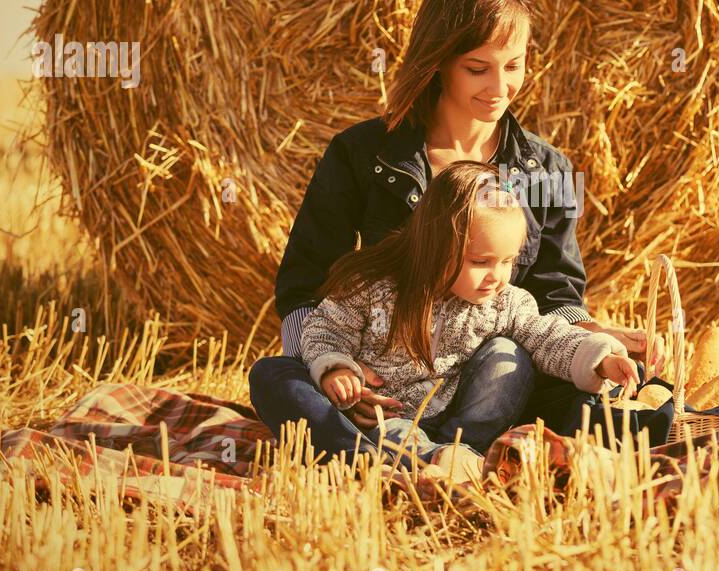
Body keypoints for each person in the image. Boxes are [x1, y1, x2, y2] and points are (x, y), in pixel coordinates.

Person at [249, 0, 665, 453]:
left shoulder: (546, 172)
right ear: (438, 59)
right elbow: (304, 288)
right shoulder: (363, 155)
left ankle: (434, 455)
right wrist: (335, 370)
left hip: (495, 377)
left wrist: (601, 338)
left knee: (575, 397)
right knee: (276, 379)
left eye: (513, 65)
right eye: (477, 68)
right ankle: (396, 457)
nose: (499, 87)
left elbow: (555, 298)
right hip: (380, 381)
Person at [250, 163, 642, 467]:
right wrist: (336, 370)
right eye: (481, 261)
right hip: (382, 418)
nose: (497, 275)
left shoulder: (504, 300)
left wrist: (601, 358)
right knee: (270, 374)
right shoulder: (371, 286)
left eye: (508, 261)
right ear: (437, 244)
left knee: (511, 353)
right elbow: (325, 330)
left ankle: (453, 455)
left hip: (461, 421)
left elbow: (547, 335)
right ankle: (385, 459)